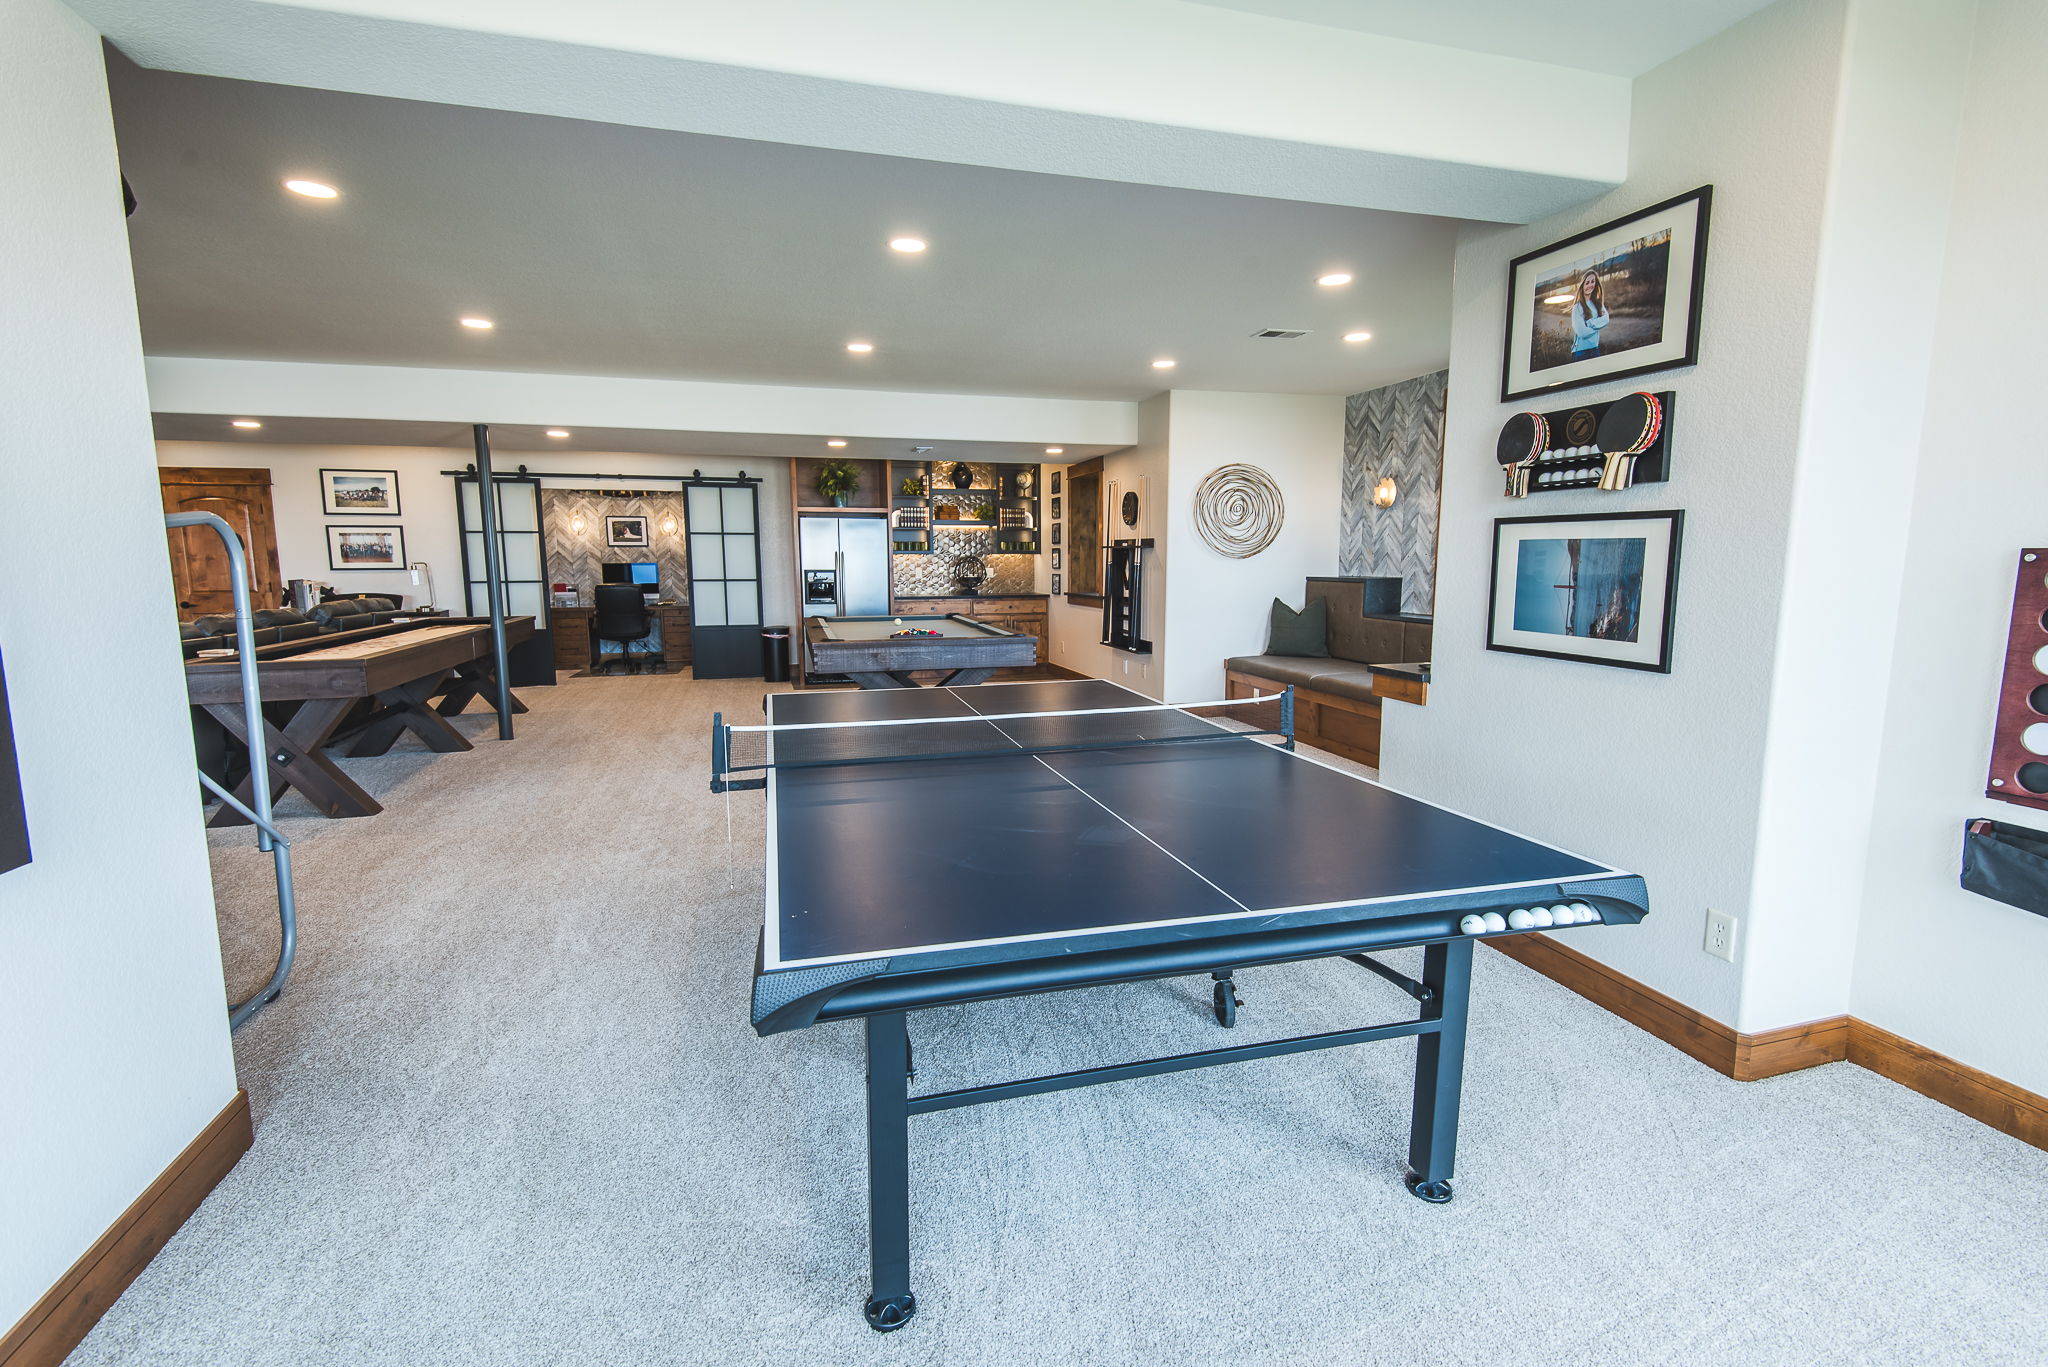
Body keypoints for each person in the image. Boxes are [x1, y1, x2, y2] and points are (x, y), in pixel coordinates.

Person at [1570, 268, 1609, 360]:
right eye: (1587, 283)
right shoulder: (1577, 307)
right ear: (1582, 285)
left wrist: (1590, 323)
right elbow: (1582, 333)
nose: (1590, 285)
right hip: (1580, 352)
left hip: (1595, 349)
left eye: (1592, 282)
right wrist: (1599, 325)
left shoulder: (1598, 303)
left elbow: (1606, 319)